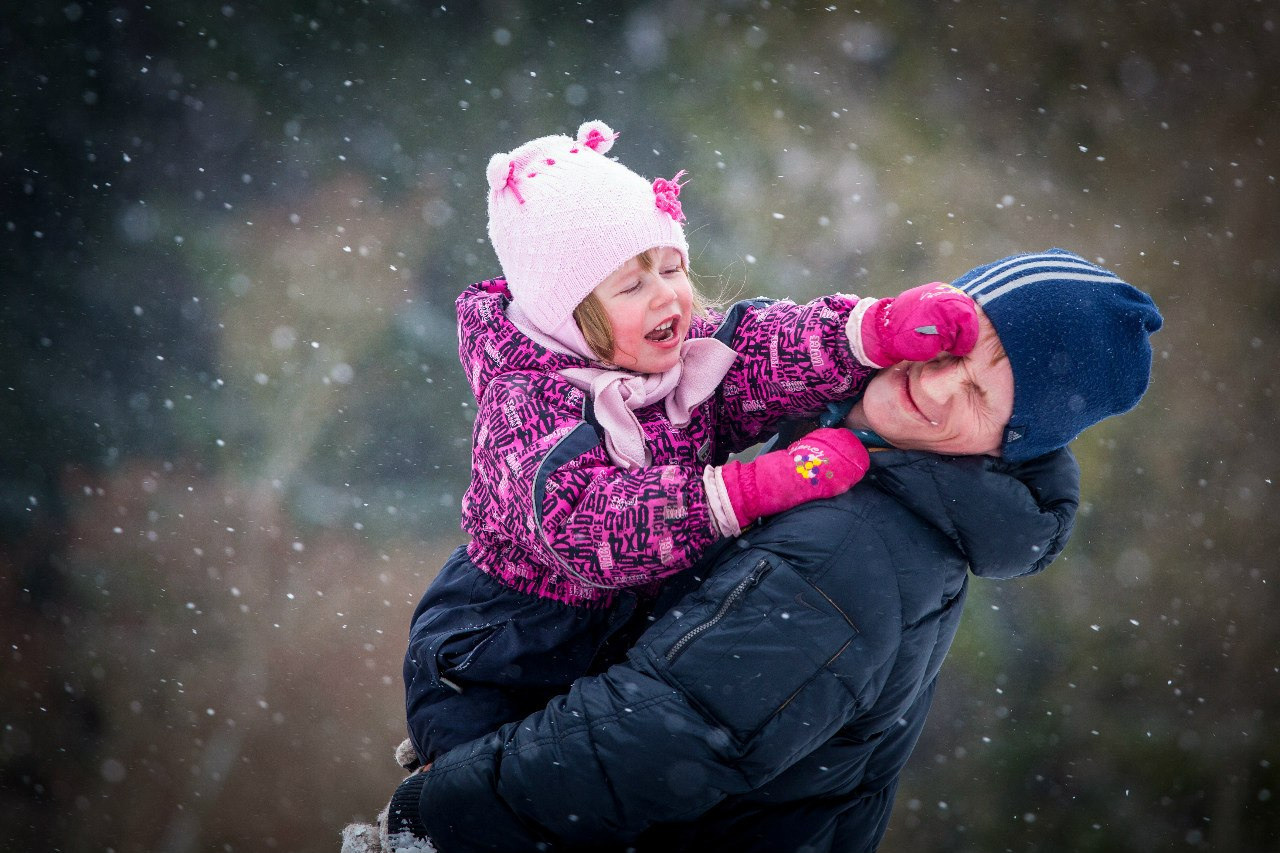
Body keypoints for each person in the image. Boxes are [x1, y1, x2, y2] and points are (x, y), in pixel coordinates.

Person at [355, 248, 1162, 853]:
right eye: (951, 348)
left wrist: (440, 812)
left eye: (983, 395)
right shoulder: (865, 462)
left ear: (1007, 441)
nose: (942, 385)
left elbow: (665, 732)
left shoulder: (857, 544)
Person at [397, 119, 982, 774]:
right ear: (568, 313)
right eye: (632, 284)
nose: (667, 293)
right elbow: (593, 527)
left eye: (671, 266)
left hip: (615, 645)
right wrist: (752, 488)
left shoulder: (672, 363)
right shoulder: (525, 408)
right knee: (493, 800)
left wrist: (867, 332)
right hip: (498, 660)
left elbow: (760, 353)